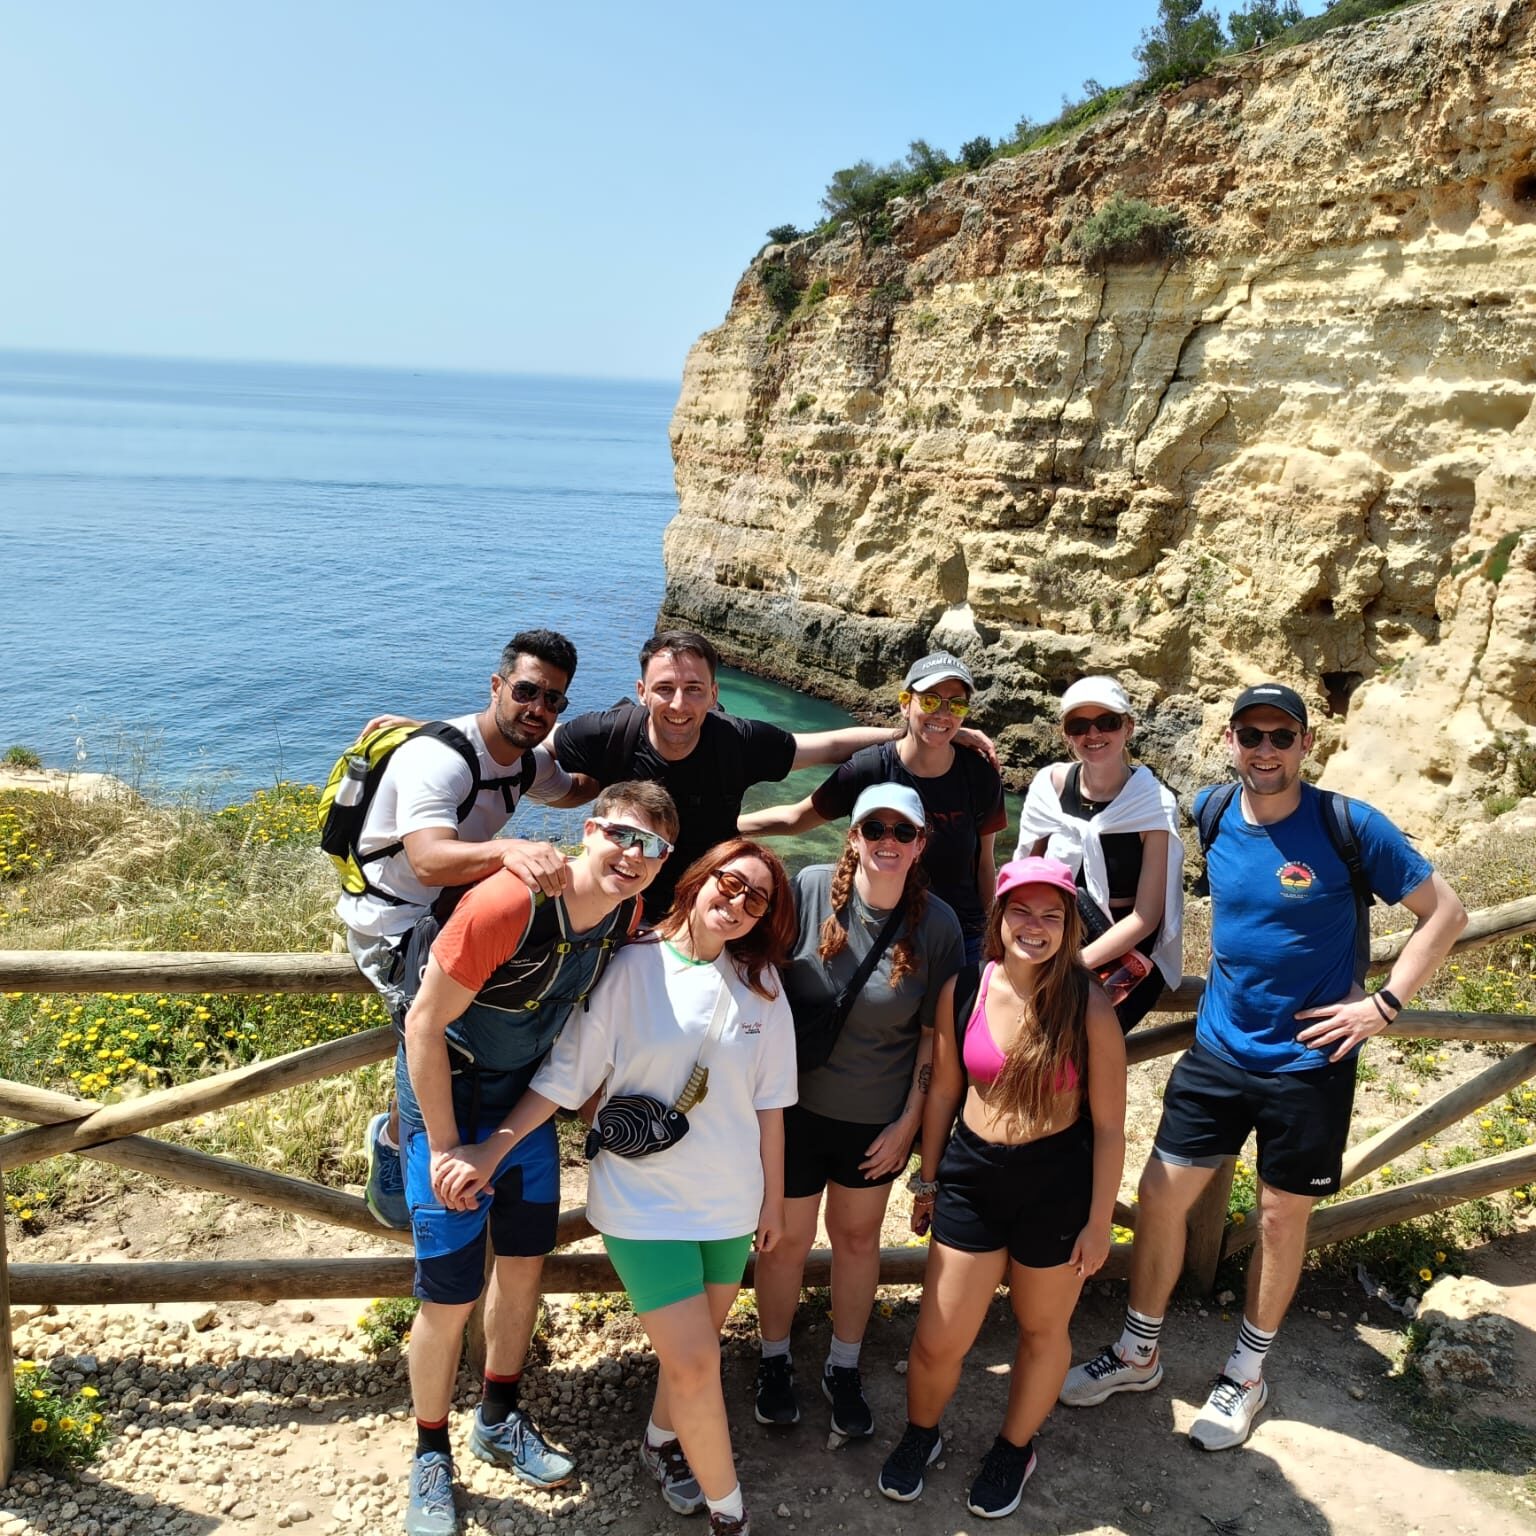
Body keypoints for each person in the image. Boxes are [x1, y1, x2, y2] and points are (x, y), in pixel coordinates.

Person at [1060, 682, 1468, 1451]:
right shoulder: (1212, 811)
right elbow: (1114, 787)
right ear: (1231, 741)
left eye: (1282, 736)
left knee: (1282, 1219)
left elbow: (1445, 913)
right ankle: (1139, 1351)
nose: (1266, 750)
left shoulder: (1349, 825)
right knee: (1158, 1196)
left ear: (1306, 744)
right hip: (1218, 1049)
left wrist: (1383, 1005)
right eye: (1252, 735)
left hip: (1309, 1063)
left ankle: (1246, 1372)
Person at [485, 839, 800, 1536]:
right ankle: (731, 1517)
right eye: (730, 883)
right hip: (641, 1202)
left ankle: (661, 1443)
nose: (738, 903)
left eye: (757, 899)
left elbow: (771, 1105)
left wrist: (773, 1201)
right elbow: (568, 1074)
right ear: (697, 881)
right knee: (695, 1362)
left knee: (696, 1355)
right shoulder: (630, 968)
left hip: (729, 1200)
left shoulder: (762, 989)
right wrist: (494, 1148)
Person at [397, 781, 680, 1536]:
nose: (633, 856)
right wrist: (449, 1146)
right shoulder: (507, 903)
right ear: (589, 830)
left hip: (525, 1108)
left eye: (653, 847)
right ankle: (430, 1454)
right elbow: (422, 1026)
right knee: (449, 1294)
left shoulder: (627, 913)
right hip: (448, 1099)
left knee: (524, 1268)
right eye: (622, 835)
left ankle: (497, 1416)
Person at [878, 857, 1125, 1519]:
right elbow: (944, 1095)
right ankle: (922, 1435)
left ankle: (1015, 1447)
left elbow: (1108, 1128)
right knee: (938, 1336)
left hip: (1057, 1184)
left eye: (1051, 915)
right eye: (1022, 910)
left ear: (1070, 925)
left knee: (1041, 1331)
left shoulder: (1090, 1005)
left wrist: (1100, 1221)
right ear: (999, 916)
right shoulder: (963, 990)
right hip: (972, 1177)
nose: (1034, 926)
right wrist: (926, 1181)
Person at [338, 630, 586, 1229]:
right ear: (496, 685)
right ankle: (403, 1147)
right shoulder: (437, 758)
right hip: (392, 926)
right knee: (436, 1028)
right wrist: (510, 850)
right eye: (527, 691)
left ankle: (474, 1147)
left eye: (554, 700)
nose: (539, 709)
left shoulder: (523, 759)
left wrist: (660, 741)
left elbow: (579, 791)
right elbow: (427, 859)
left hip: (444, 915)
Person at [751, 783, 964, 1440]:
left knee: (855, 1242)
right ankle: (774, 1360)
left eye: (904, 833)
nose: (888, 843)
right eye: (875, 829)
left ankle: (844, 1365)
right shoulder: (809, 888)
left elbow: (936, 1042)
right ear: (853, 837)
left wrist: (908, 1127)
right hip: (790, 1114)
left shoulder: (939, 927)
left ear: (922, 844)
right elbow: (755, 976)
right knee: (783, 1244)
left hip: (874, 1122)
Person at [552, 630, 953, 922]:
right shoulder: (608, 731)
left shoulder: (737, 742)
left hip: (706, 911)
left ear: (713, 694)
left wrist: (925, 732)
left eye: (694, 689)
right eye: (664, 688)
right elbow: (533, 750)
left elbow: (829, 746)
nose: (678, 704)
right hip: (619, 906)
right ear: (642, 691)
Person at [741, 652, 1006, 967]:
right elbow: (796, 819)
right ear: (905, 703)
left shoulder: (979, 774)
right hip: (879, 930)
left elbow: (984, 865)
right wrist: (724, 824)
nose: (943, 713)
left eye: (956, 704)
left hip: (960, 934)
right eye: (931, 700)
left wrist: (993, 935)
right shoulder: (871, 768)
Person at [1014, 676, 1183, 1032]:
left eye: (1107, 722)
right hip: (1058, 931)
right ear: (1066, 735)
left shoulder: (1152, 803)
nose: (1093, 734)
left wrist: (1074, 965)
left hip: (1130, 947)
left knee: (1083, 1035)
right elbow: (1024, 875)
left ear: (1128, 727)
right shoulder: (1050, 788)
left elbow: (1146, 918)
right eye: (1079, 726)